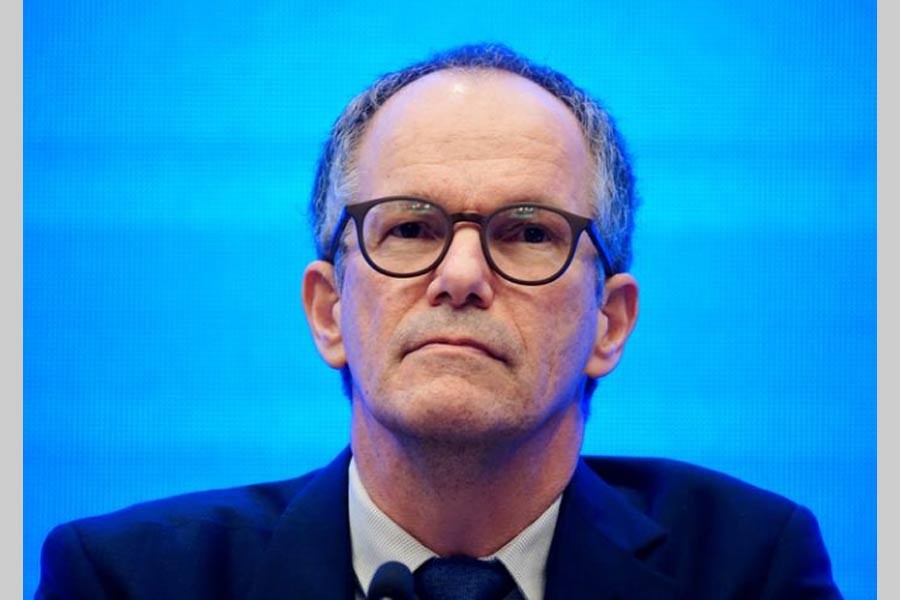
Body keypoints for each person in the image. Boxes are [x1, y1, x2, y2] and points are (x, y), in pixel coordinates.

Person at [35, 43, 842, 600]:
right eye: (411, 228)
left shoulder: (747, 567)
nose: (460, 277)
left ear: (609, 322)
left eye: (528, 232)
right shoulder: (126, 580)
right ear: (328, 310)